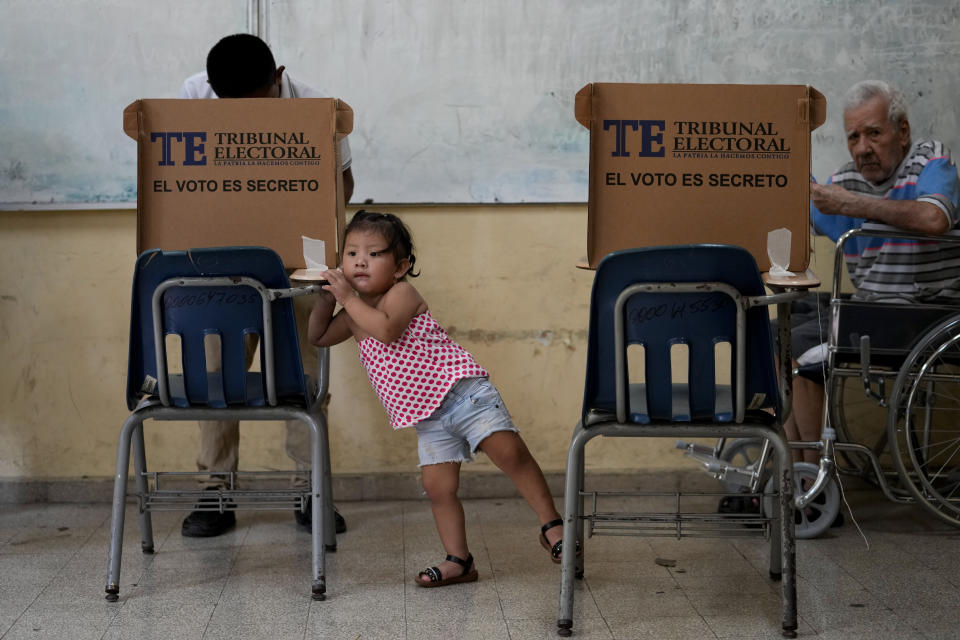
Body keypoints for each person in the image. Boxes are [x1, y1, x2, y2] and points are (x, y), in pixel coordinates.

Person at [307, 211, 573, 587]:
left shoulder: (401, 294)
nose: (360, 261)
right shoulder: (353, 314)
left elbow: (384, 330)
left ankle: (552, 526)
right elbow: (317, 338)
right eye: (351, 254)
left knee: (509, 453)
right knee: (438, 488)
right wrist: (324, 299)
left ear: (400, 267)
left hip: (463, 394)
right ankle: (459, 560)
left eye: (374, 254)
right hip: (427, 416)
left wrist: (347, 298)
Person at [178, 33, 352, 537]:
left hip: (299, 262)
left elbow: (344, 182)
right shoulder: (193, 96)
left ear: (278, 78)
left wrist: (297, 213)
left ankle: (309, 490)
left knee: (305, 375)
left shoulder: (319, 107)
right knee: (218, 377)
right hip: (222, 265)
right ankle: (215, 494)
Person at [785, 79, 960, 466]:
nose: (863, 148)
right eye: (853, 137)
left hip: (923, 315)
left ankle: (809, 479)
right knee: (777, 330)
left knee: (801, 351)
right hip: (872, 310)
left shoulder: (931, 161)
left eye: (874, 133)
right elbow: (797, 215)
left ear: (902, 131)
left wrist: (853, 204)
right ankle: (792, 470)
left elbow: (935, 217)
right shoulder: (847, 181)